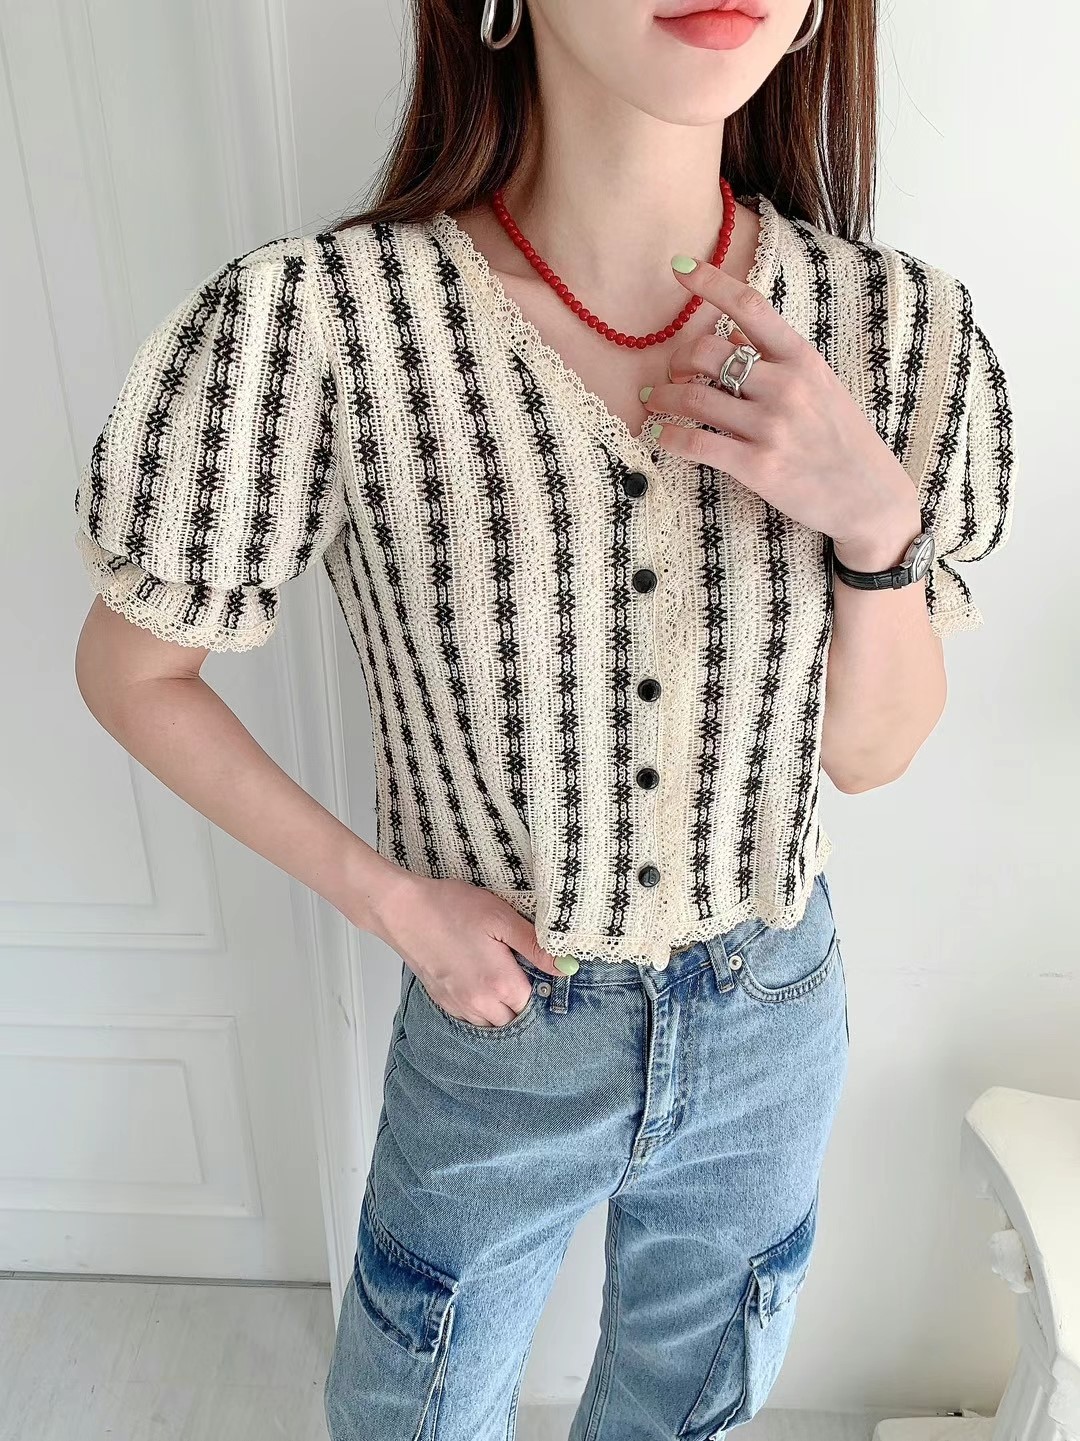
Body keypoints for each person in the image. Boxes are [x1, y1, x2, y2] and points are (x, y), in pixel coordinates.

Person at [72, 0, 1016, 1436]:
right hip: (500, 1019)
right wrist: (394, 901)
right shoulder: (321, 328)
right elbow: (135, 670)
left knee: (687, 1407)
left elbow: (871, 754)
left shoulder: (901, 335)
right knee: (412, 1406)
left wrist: (876, 526)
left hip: (774, 1013)